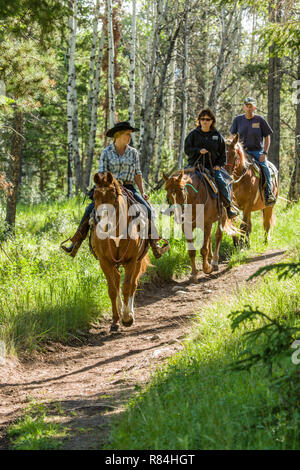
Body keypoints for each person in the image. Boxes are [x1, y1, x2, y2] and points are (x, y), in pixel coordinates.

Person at [61, 121, 169, 259]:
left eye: (130, 134)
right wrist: (104, 184)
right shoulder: (106, 152)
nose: (130, 137)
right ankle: (75, 243)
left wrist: (142, 192)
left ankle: (155, 244)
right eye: (127, 134)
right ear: (118, 135)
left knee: (147, 209)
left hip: (128, 187)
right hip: (110, 188)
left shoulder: (133, 153)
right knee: (90, 210)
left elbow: (137, 173)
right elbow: (101, 172)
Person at [184, 107, 238, 219]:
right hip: (194, 165)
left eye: (208, 119)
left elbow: (223, 154)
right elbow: (187, 149)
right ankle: (172, 206)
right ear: (199, 120)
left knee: (222, 183)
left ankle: (228, 208)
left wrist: (219, 165)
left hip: (212, 167)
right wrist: (198, 150)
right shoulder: (193, 134)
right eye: (202, 119)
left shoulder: (217, 136)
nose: (205, 121)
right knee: (178, 181)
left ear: (212, 121)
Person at [229, 97, 276, 205]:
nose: (249, 108)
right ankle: (226, 195)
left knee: (265, 168)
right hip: (242, 152)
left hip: (257, 151)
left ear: (254, 107)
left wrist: (264, 152)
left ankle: (268, 193)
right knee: (229, 167)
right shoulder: (238, 120)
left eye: (251, 106)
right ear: (243, 107)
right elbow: (232, 135)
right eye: (247, 106)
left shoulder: (260, 120)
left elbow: (267, 137)